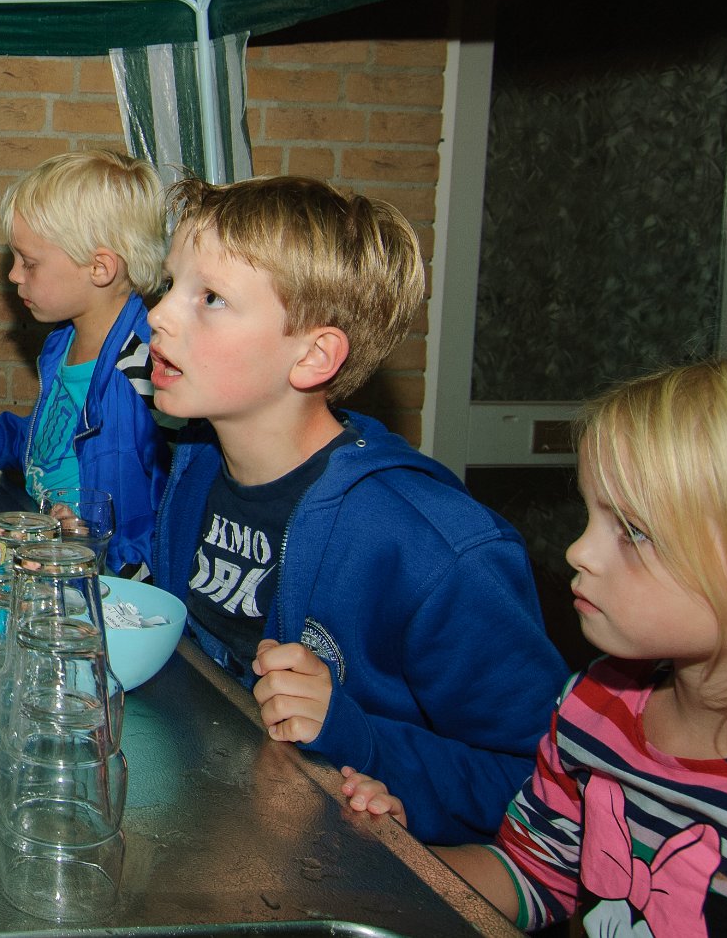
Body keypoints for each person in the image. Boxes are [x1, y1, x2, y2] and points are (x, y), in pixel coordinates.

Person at [339, 356, 727, 935]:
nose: (578, 552)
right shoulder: (594, 706)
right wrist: (393, 863)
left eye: (634, 532)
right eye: (592, 515)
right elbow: (531, 875)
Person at [145, 174, 565, 844]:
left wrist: (358, 736)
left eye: (211, 297)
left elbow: (544, 783)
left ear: (314, 355)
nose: (159, 315)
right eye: (170, 285)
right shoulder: (194, 467)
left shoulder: (435, 547)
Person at [0, 149, 169, 571]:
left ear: (99, 268)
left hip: (106, 583)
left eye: (30, 263)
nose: (14, 274)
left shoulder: (145, 377)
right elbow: (50, 446)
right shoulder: (63, 344)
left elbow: (166, 520)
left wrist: (92, 546)